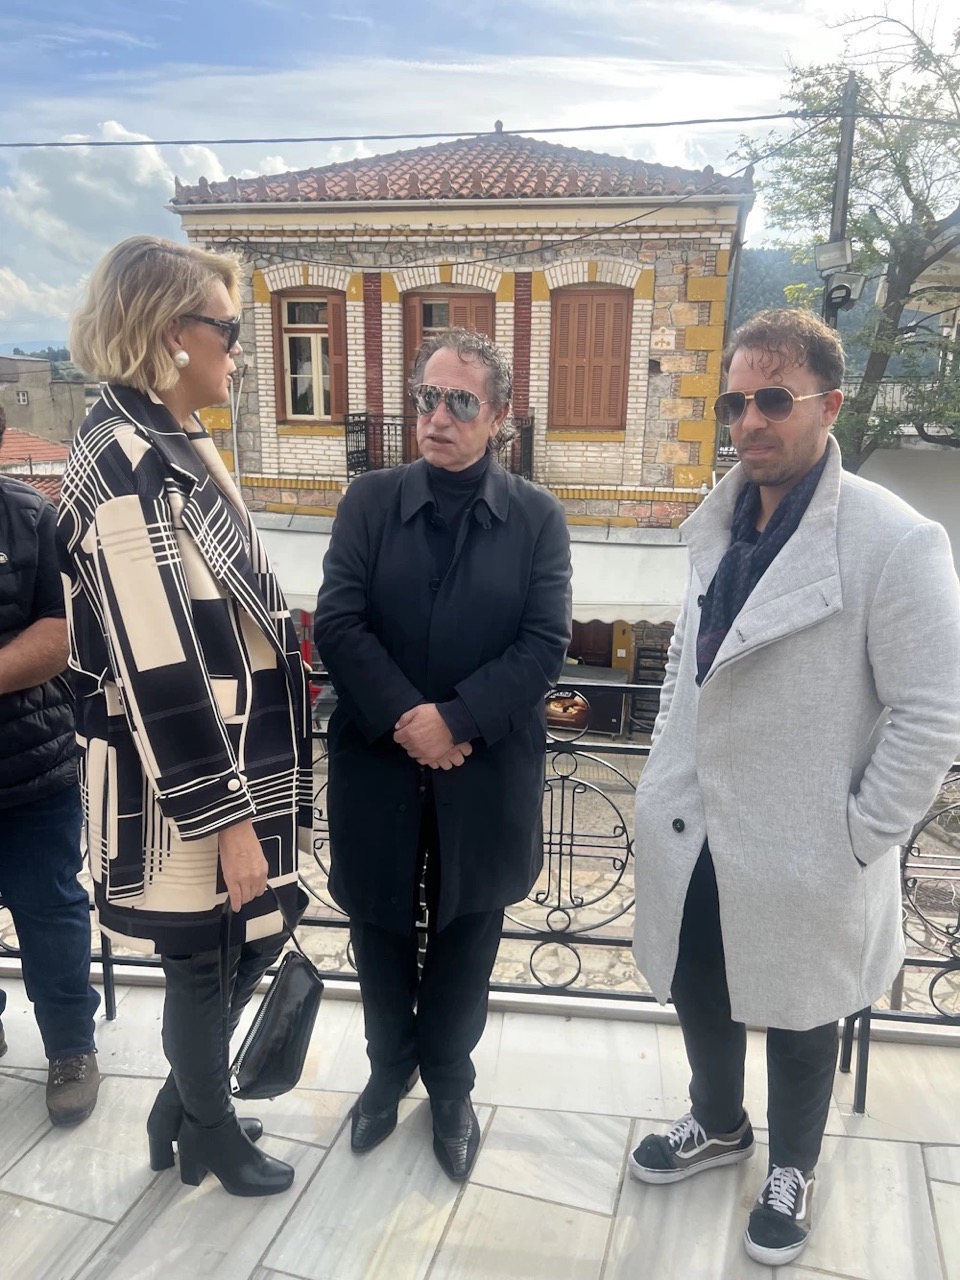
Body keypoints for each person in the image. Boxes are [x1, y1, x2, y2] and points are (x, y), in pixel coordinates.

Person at [628, 308, 960, 1267]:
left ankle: (794, 1167)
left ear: (830, 404)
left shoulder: (895, 539)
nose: (750, 421)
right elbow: (686, 665)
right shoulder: (719, 519)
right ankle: (718, 1122)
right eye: (736, 402)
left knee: (807, 1011)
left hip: (809, 841)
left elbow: (933, 712)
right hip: (694, 823)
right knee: (697, 981)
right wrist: (659, 772)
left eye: (774, 399)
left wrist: (859, 834)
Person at [58, 236, 313, 1197]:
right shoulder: (125, 459)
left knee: (244, 937)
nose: (241, 352)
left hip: (226, 759)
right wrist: (228, 819)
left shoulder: (168, 438)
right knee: (205, 960)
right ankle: (208, 1132)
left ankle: (183, 1110)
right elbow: (159, 668)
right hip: (183, 779)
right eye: (230, 331)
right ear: (173, 334)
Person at [314, 327, 571, 1180]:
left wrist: (456, 720)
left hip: (484, 767)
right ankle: (387, 1073)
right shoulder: (368, 501)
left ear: (498, 416)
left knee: (468, 930)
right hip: (377, 761)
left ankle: (451, 1086)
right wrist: (409, 719)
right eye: (428, 397)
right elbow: (337, 623)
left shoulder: (537, 518)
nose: (438, 416)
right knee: (378, 925)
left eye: (461, 401)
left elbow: (544, 644)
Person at [0, 404, 101, 1124]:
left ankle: (70, 1047)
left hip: (29, 766)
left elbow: (62, 633)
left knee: (52, 911)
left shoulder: (31, 518)